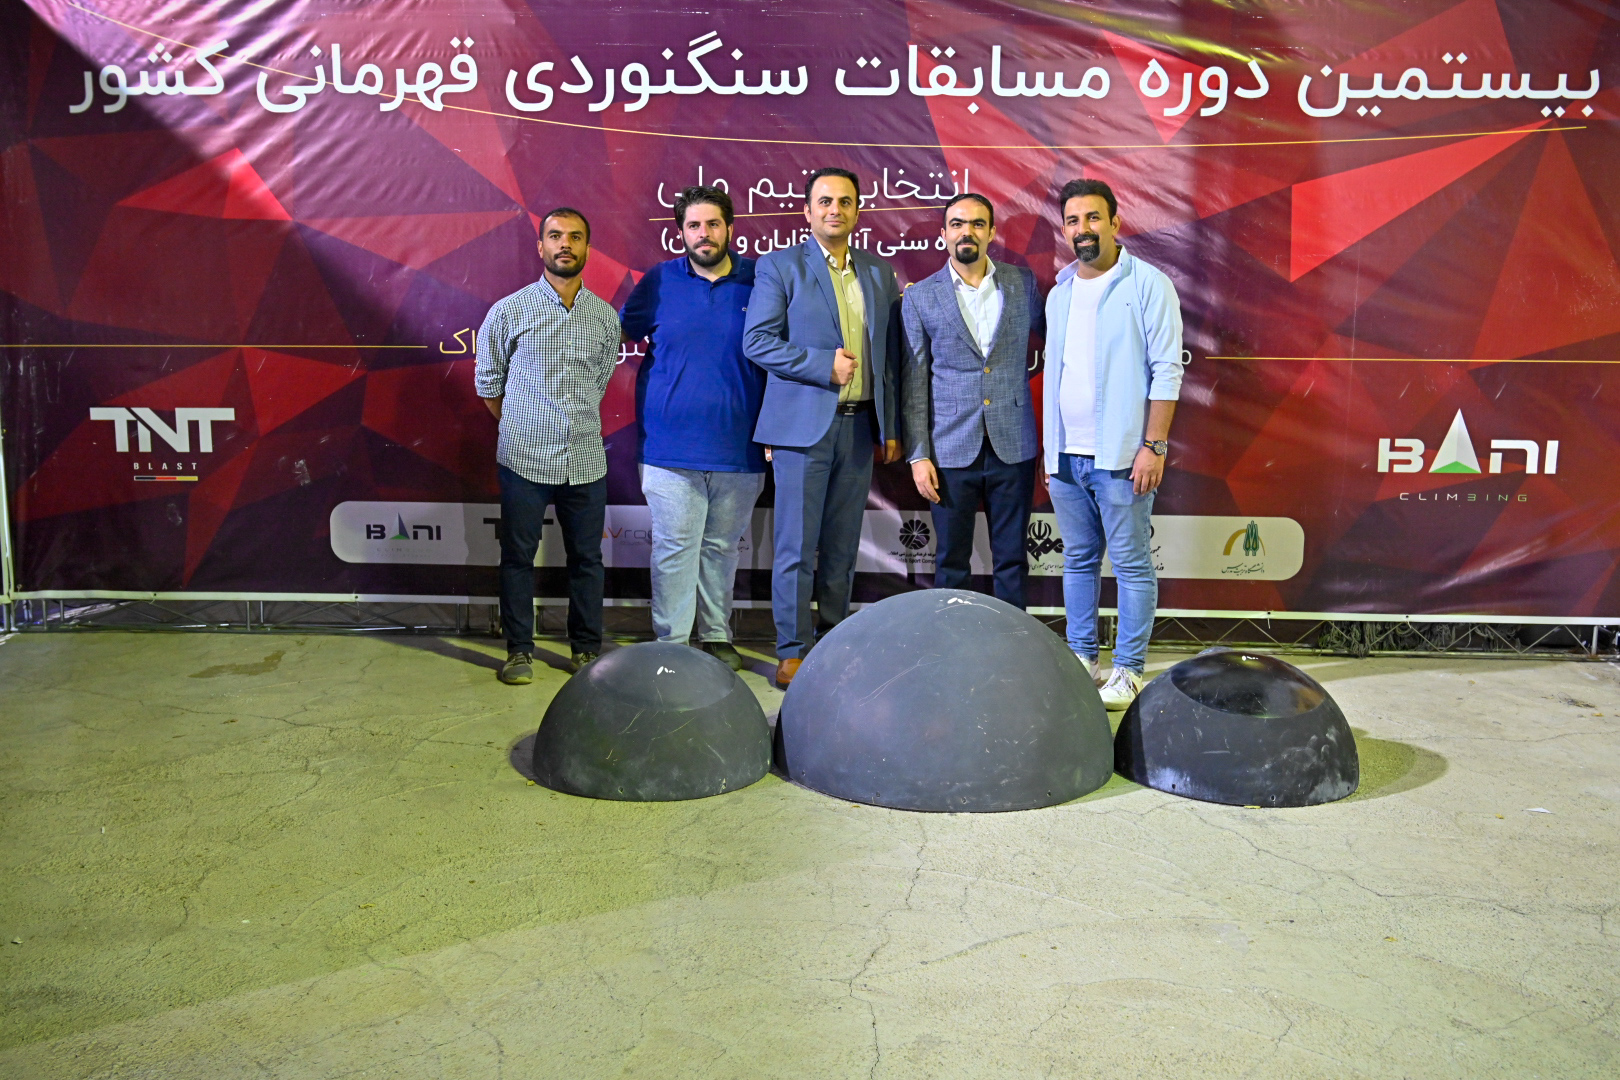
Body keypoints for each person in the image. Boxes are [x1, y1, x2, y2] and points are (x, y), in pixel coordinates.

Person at [743, 167, 903, 686]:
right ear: (808, 211)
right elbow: (757, 342)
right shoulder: (780, 266)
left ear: (858, 211)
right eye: (826, 201)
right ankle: (792, 649)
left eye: (845, 201)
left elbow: (889, 357)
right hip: (800, 431)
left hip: (859, 429)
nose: (836, 209)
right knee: (796, 546)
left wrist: (890, 426)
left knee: (841, 546)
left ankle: (832, 642)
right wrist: (821, 366)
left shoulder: (878, 272)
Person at [1043, 178, 1184, 710]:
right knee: (1078, 561)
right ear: (1064, 230)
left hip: (1124, 457)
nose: (1083, 229)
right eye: (1072, 220)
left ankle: (1128, 669)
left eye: (1092, 218)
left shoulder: (1148, 284)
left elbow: (1167, 370)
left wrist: (1154, 445)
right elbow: (1058, 374)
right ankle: (1083, 659)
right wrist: (1051, 450)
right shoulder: (1059, 293)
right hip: (1066, 457)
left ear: (1114, 222)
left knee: (1130, 565)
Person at [619, 186, 765, 671]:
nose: (704, 234)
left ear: (730, 228)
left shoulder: (761, 280)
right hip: (668, 448)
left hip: (740, 448)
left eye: (713, 224)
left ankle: (717, 636)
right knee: (674, 549)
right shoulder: (658, 281)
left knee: (722, 550)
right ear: (680, 232)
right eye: (694, 226)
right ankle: (673, 645)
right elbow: (615, 334)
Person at [475, 207, 621, 685]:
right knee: (518, 558)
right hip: (524, 459)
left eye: (575, 237)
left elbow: (600, 381)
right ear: (541, 246)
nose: (565, 245)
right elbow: (489, 384)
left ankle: (586, 650)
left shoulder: (604, 317)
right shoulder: (508, 311)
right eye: (555, 236)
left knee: (587, 560)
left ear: (586, 248)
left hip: (585, 460)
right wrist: (524, 427)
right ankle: (519, 651)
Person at [901, 192, 1044, 609]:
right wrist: (918, 455)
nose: (968, 232)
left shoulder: (1022, 284)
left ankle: (1013, 639)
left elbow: (1061, 345)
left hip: (1013, 444)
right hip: (949, 448)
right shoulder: (921, 296)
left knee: (1012, 560)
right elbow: (914, 383)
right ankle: (951, 639)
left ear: (991, 232)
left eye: (978, 224)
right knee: (950, 561)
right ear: (944, 234)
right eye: (958, 224)